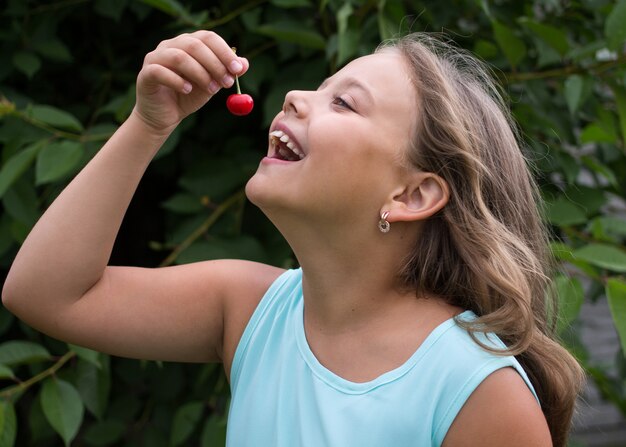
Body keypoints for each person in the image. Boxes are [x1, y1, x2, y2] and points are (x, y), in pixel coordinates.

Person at [2, 30, 584, 446]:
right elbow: (46, 294)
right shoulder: (249, 311)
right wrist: (148, 125)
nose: (294, 97)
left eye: (343, 102)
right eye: (320, 85)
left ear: (410, 196)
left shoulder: (477, 391)